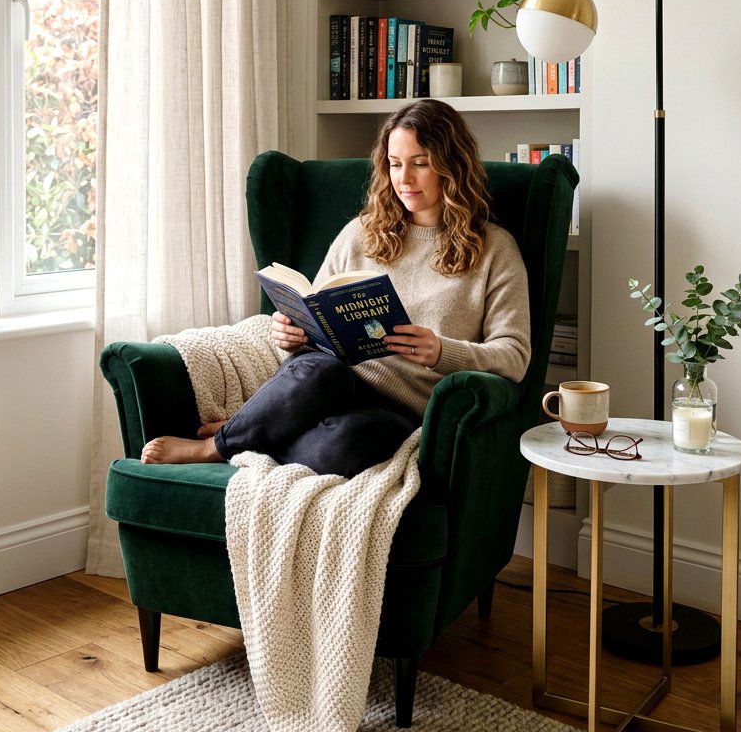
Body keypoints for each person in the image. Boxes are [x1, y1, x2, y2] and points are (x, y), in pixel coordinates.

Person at [141, 99, 531, 477]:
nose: (404, 180)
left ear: (452, 166)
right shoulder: (362, 232)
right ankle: (214, 448)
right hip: (328, 379)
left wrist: (442, 352)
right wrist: (292, 334)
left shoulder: (495, 249)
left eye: (420, 164)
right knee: (320, 372)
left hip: (403, 408)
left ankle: (252, 430)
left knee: (347, 444)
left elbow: (514, 356)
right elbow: (318, 312)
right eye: (395, 165)